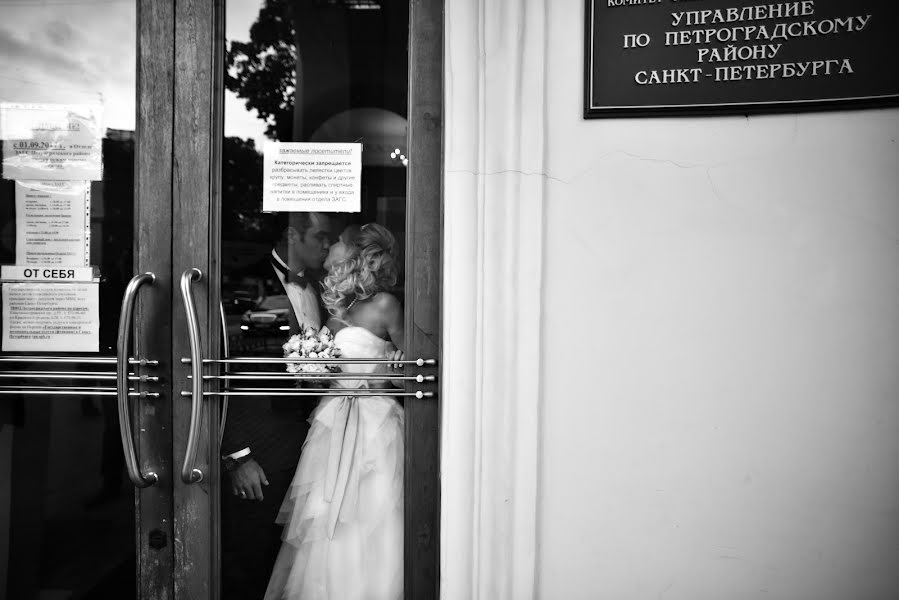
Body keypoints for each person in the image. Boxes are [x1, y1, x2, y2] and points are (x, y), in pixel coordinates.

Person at [264, 223, 405, 600]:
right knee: (324, 513)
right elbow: (329, 363)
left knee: (371, 512)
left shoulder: (386, 304)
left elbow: (411, 375)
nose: (332, 251)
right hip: (333, 419)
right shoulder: (341, 306)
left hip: (375, 422)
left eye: (340, 244)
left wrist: (391, 370)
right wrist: (308, 367)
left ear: (359, 256)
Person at [221, 211, 332, 600]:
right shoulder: (245, 281)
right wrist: (237, 454)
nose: (327, 246)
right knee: (249, 556)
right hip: (258, 445)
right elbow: (223, 366)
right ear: (291, 235)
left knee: (288, 559)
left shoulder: (321, 288)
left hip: (306, 443)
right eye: (320, 237)